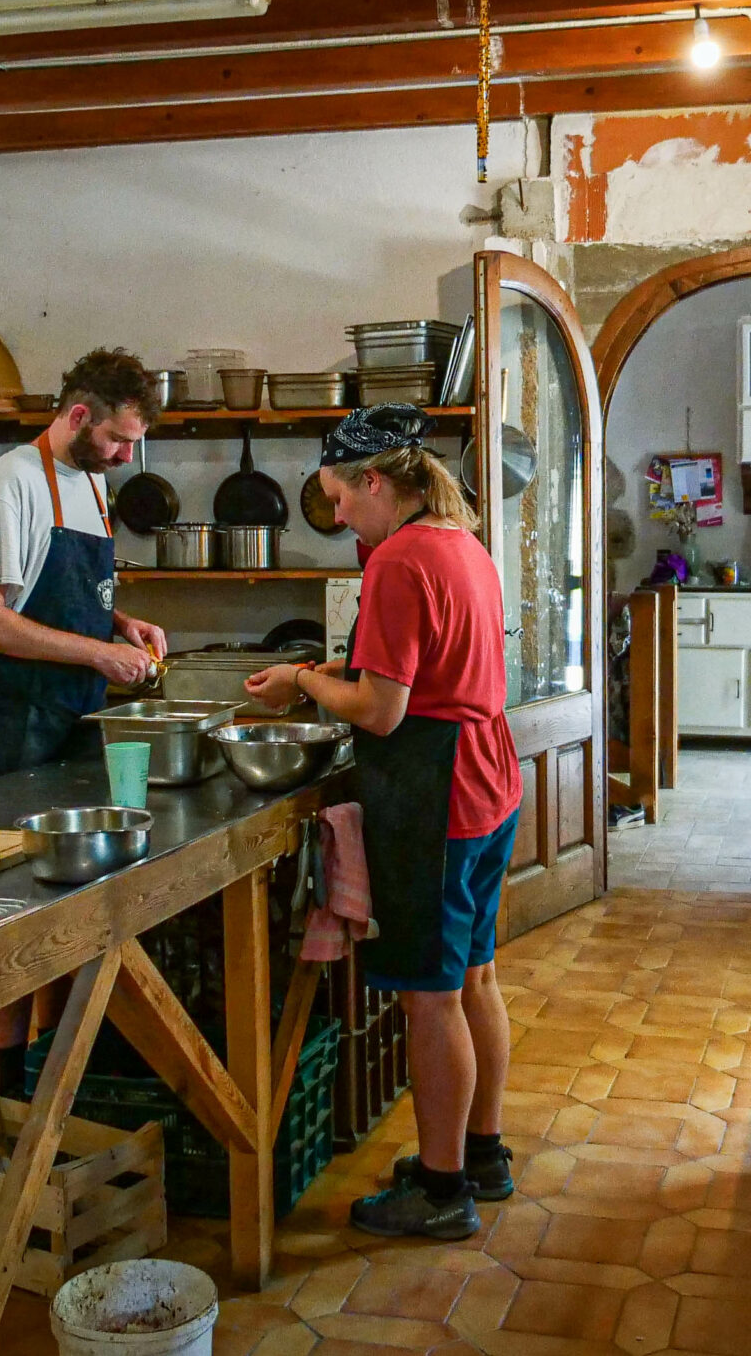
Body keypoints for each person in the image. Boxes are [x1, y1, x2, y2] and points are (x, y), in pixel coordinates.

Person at [243, 404, 520, 1240]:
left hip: (436, 797)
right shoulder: (460, 542)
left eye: (337, 500)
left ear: (373, 482)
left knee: (430, 999)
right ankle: (481, 1155)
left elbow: (381, 709)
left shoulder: (399, 559)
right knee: (476, 979)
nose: (336, 517)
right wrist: (336, 667)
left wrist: (302, 681)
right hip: (489, 780)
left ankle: (440, 1191)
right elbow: (424, 664)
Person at [0, 347, 168, 1096]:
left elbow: (73, 601)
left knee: (70, 903)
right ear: (79, 415)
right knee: (16, 908)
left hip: (75, 714)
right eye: (117, 439)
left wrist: (121, 625)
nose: (125, 456)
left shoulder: (92, 484)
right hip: (18, 719)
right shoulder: (10, 484)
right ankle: (10, 1078)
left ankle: (56, 1066)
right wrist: (99, 653)